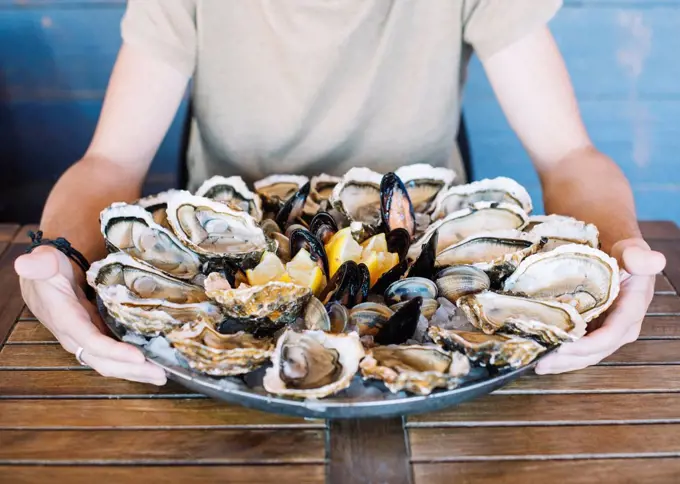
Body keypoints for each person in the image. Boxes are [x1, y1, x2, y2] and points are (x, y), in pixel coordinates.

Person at [14, 0, 666, 386]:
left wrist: (618, 251)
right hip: (231, 295)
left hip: (432, 298)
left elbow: (568, 156)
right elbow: (109, 162)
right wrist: (62, 263)